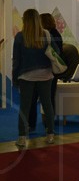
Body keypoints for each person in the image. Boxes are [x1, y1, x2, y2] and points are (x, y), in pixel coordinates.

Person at [12, 9, 56, 148]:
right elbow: (56, 52)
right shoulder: (46, 34)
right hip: (46, 75)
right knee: (47, 105)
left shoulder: (20, 36)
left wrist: (15, 78)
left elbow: (16, 60)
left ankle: (22, 138)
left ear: (25, 20)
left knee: (24, 107)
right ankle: (50, 135)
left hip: (26, 76)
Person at [28, 13, 64, 130]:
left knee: (34, 98)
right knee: (48, 99)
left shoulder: (45, 35)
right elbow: (58, 52)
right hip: (51, 72)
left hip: (43, 71)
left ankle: (32, 124)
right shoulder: (56, 34)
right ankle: (49, 125)